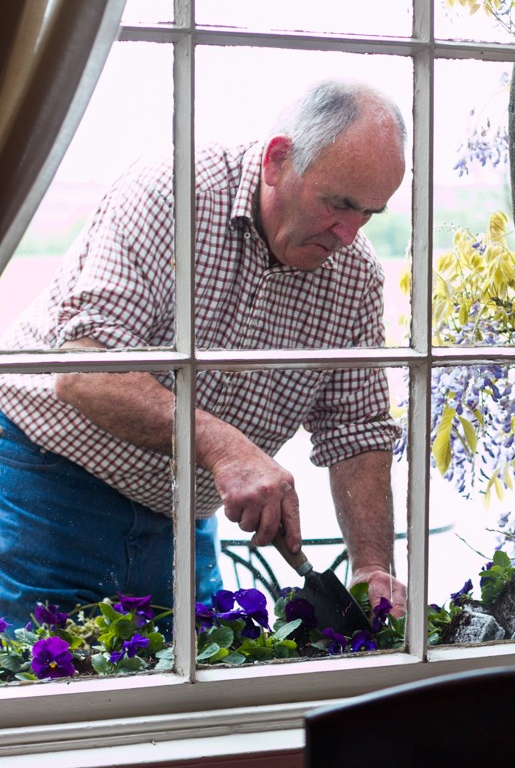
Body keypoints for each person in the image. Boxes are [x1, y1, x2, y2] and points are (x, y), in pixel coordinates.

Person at [0, 79, 407, 631]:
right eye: (338, 204)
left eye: (369, 213)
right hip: (44, 484)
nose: (349, 232)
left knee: (185, 704)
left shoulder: (354, 275)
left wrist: (372, 565)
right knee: (47, 703)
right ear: (277, 159)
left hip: (181, 512)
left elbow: (356, 430)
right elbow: (83, 370)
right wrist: (225, 447)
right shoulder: (173, 193)